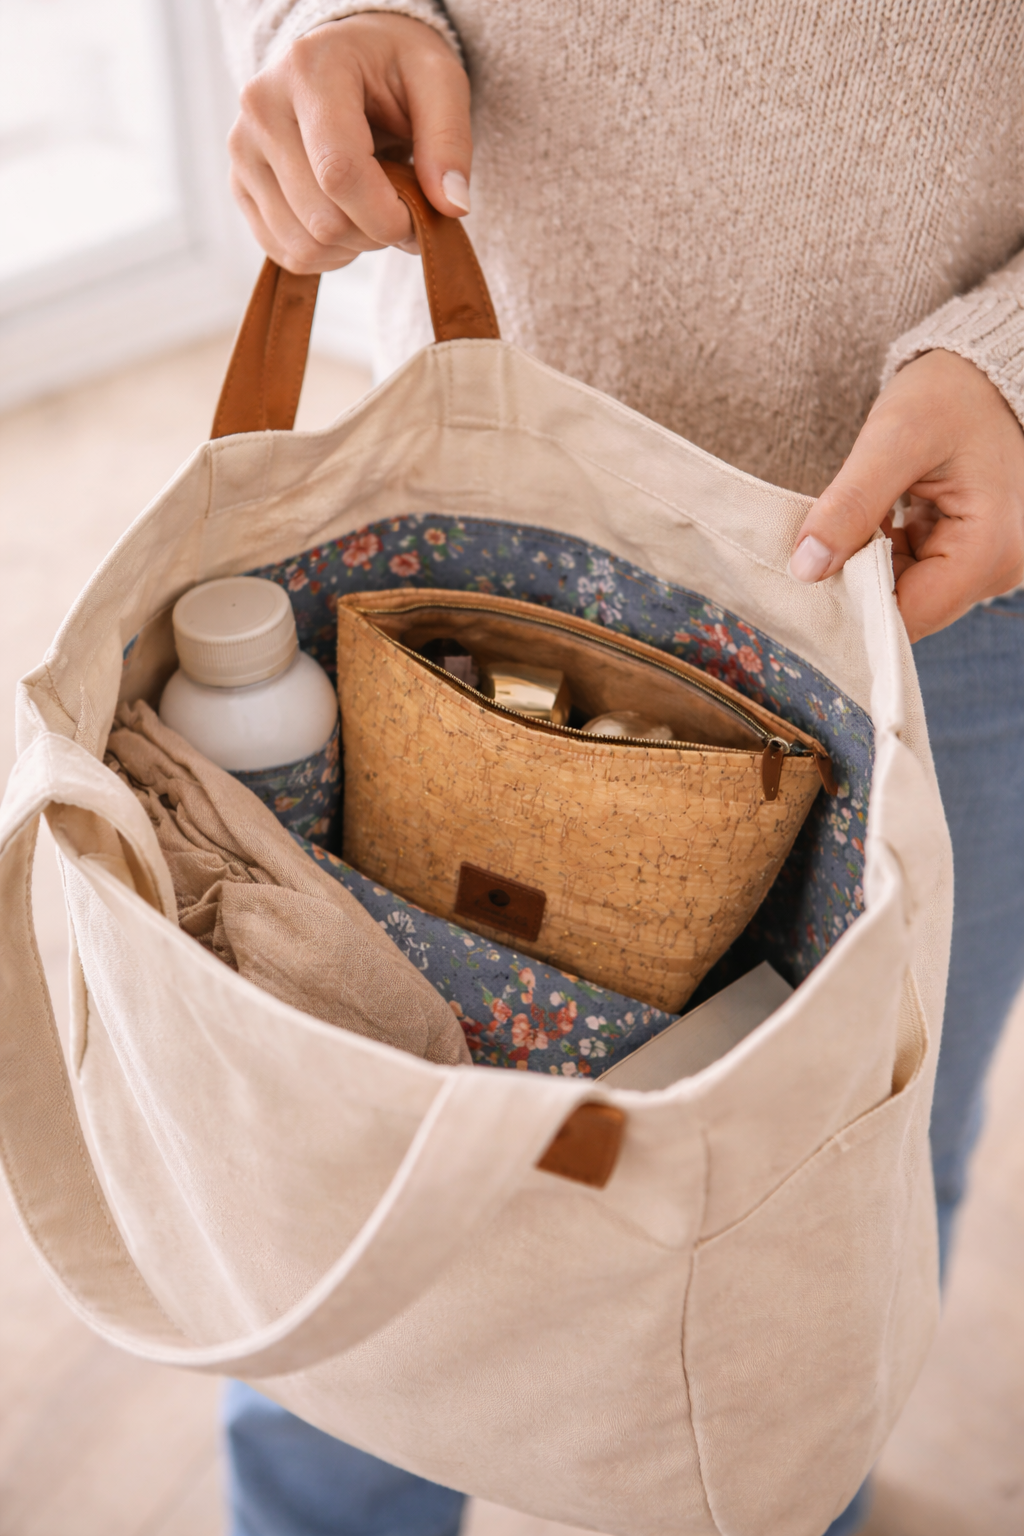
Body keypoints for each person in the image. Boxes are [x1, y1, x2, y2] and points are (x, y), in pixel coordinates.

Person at [214, 5, 1024, 1534]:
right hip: (478, 522)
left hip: (940, 569)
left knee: (828, 1220)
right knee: (352, 1212)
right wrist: (330, 29)